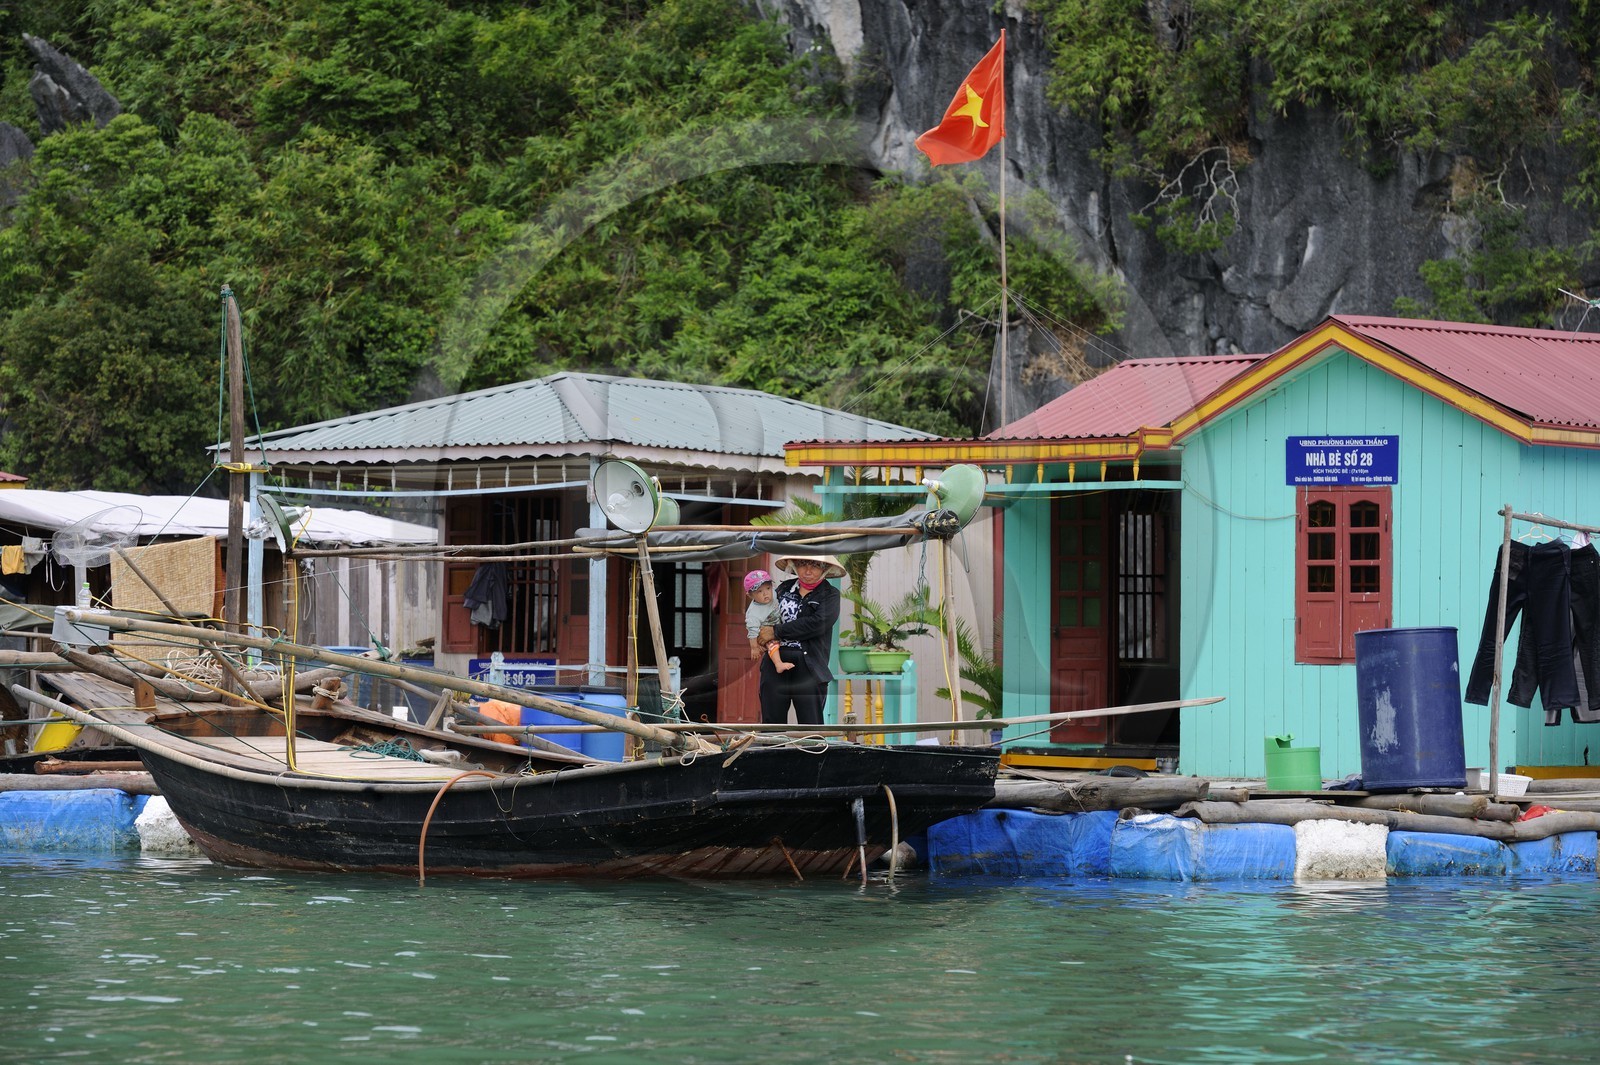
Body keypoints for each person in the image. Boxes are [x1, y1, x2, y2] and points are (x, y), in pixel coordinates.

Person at [757, 554, 844, 727]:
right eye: (803, 564)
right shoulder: (783, 589)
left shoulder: (830, 595)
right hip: (776, 662)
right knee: (772, 723)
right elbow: (763, 615)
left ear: (825, 569)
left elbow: (817, 624)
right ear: (795, 566)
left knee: (810, 724)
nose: (808, 571)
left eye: (815, 565)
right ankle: (772, 753)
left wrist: (776, 631)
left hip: (809, 665)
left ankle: (812, 755)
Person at [743, 569, 794, 673]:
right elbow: (752, 633)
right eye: (759, 591)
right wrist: (754, 647)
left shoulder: (775, 593)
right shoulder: (753, 613)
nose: (766, 593)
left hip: (781, 627)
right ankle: (778, 664)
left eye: (768, 588)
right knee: (772, 644)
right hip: (766, 631)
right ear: (750, 595)